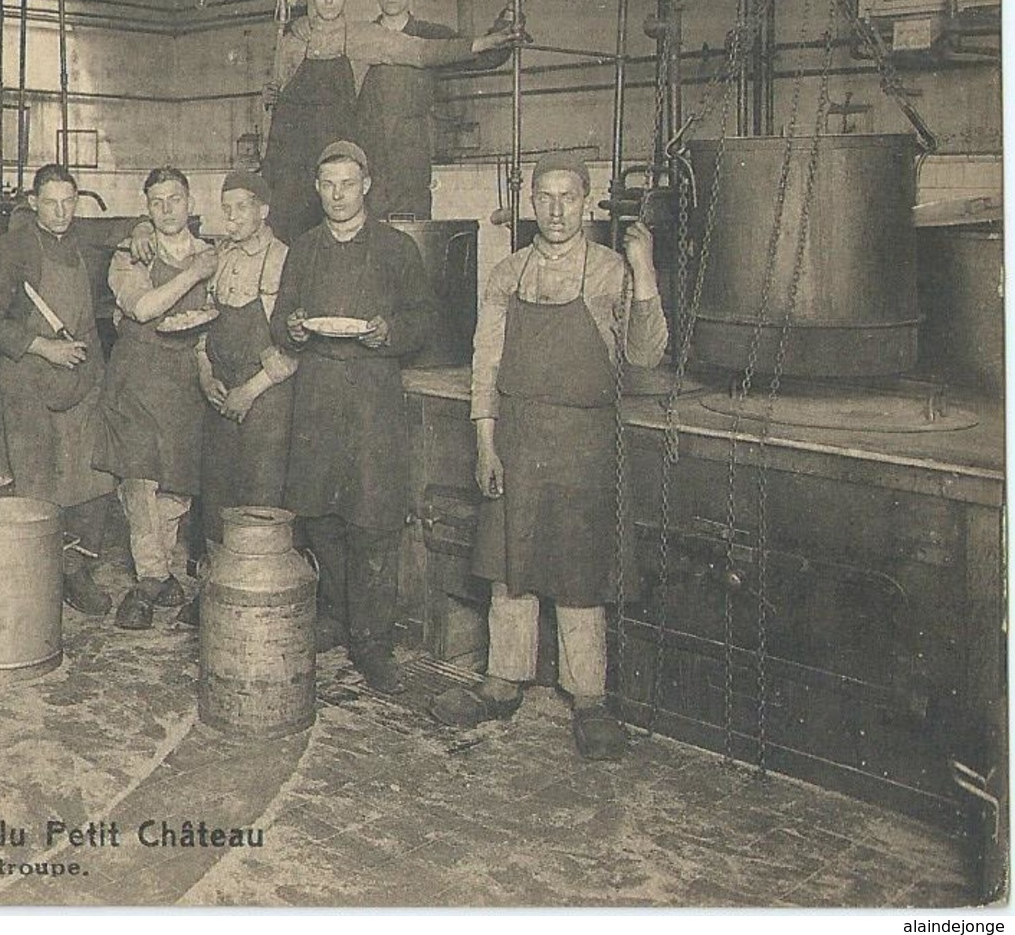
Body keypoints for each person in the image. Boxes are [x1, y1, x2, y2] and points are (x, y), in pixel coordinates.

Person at [429, 152, 668, 762]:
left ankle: (588, 697)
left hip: (586, 442)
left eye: (569, 197)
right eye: (545, 197)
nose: (557, 210)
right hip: (518, 435)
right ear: (531, 202)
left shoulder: (612, 271)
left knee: (580, 574)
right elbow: (485, 365)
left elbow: (644, 357)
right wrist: (486, 442)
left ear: (587, 201)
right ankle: (503, 680)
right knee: (511, 567)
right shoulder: (507, 274)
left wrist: (645, 271)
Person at [270, 141, 434, 693]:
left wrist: (392, 332)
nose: (338, 194)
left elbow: (421, 323)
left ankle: (373, 641)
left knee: (373, 521)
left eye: (347, 183)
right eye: (328, 185)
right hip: (317, 393)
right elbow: (279, 319)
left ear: (366, 184)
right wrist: (290, 328)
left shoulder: (396, 249)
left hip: (371, 398)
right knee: (318, 516)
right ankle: (336, 618)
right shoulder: (305, 249)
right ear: (318, 189)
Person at [0, 164, 130, 617]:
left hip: (81, 382)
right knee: (36, 487)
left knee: (91, 482)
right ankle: (35, 580)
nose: (60, 212)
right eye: (51, 202)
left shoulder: (81, 242)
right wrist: (42, 347)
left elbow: (126, 234)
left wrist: (139, 230)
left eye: (68, 202)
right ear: (34, 202)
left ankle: (77, 572)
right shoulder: (12, 248)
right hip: (29, 383)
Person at [262, 0, 516, 240]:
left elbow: (426, 51)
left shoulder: (367, 37)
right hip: (302, 162)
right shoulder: (296, 40)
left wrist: (490, 34)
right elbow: (277, 91)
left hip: (370, 160)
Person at [94, 167, 217, 629]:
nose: (167, 210)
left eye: (175, 199)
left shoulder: (212, 254)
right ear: (147, 207)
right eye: (157, 202)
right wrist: (192, 274)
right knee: (140, 479)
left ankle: (159, 574)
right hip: (137, 379)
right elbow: (142, 308)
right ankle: (150, 576)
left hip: (185, 380)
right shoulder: (130, 255)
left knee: (176, 482)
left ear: (190, 202)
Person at [176, 170, 297, 629]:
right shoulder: (219, 257)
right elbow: (206, 326)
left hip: (264, 396)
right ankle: (213, 595)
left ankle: (256, 601)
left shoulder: (283, 259)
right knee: (217, 495)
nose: (232, 218)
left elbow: (291, 346)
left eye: (242, 208)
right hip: (221, 390)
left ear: (263, 209)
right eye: (226, 210)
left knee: (259, 499)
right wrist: (206, 376)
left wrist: (250, 390)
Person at [355, 0, 513, 221]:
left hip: (412, 153)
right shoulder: (361, 39)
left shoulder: (432, 36)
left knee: (412, 231)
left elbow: (486, 56)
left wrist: (510, 11)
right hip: (366, 153)